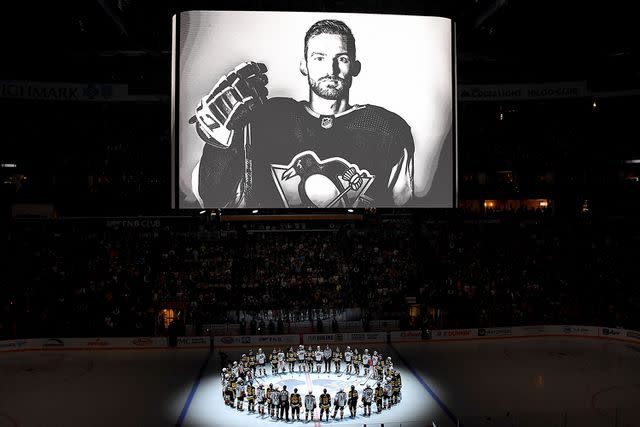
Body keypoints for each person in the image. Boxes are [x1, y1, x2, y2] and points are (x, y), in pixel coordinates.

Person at [193, 19, 415, 208]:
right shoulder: (265, 118)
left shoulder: (388, 130)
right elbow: (211, 198)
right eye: (319, 58)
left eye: (342, 58)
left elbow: (403, 208)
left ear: (355, 67)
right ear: (304, 66)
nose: (331, 70)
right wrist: (218, 144)